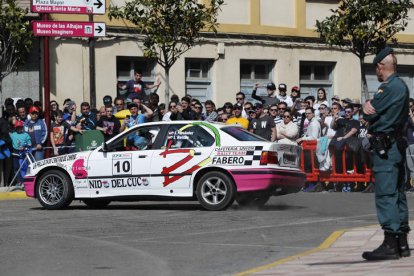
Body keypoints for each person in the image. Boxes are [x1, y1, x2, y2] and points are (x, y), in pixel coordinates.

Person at [362, 47, 410, 261]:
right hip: (396, 145)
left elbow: (370, 114)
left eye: (377, 68)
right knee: (397, 195)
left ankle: (390, 244)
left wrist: (366, 107)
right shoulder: (401, 86)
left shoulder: (389, 87)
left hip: (386, 148)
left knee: (386, 195)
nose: (377, 73)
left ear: (381, 66)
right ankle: (401, 243)